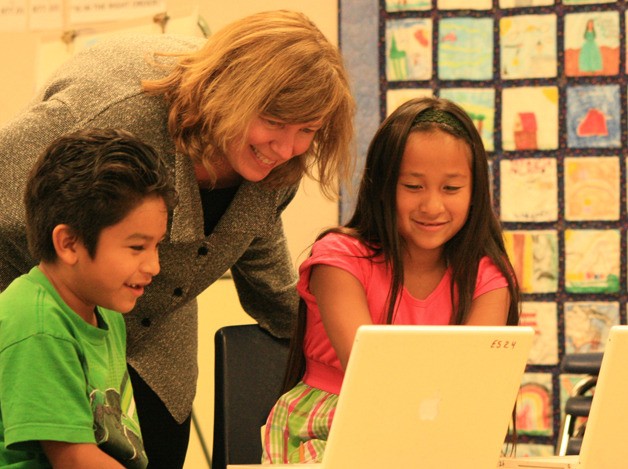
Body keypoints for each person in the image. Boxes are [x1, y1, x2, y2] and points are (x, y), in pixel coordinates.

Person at [0, 10, 355, 467]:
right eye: (273, 122)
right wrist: (47, 321)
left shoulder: (277, 166)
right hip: (45, 327)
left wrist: (360, 356)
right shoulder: (117, 109)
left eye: (306, 131)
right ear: (233, 93)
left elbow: (269, 278)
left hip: (148, 352)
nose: (286, 148)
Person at [261, 96, 521, 464]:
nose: (432, 206)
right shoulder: (339, 260)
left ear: (475, 191)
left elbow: (472, 387)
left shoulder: (487, 275)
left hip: (440, 431)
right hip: (331, 426)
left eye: (451, 188)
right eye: (413, 186)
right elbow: (371, 378)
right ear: (383, 186)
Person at [0, 128, 178, 468]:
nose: (154, 266)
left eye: (157, 245)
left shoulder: (105, 312)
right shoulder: (38, 324)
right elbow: (75, 459)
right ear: (69, 243)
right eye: (137, 247)